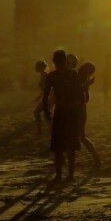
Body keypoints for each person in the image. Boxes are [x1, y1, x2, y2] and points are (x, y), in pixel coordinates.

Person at [42, 50, 84, 182]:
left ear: (54, 61)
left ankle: (59, 175)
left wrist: (47, 112)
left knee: (58, 146)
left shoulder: (52, 76)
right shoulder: (74, 74)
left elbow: (45, 97)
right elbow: (81, 96)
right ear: (65, 60)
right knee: (71, 146)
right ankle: (70, 174)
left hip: (60, 112)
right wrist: (80, 113)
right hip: (72, 112)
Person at [33, 60, 49, 135]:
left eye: (37, 66)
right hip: (46, 97)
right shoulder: (43, 75)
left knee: (37, 113)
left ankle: (40, 130)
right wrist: (39, 96)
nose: (35, 68)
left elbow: (47, 88)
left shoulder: (45, 76)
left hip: (48, 97)